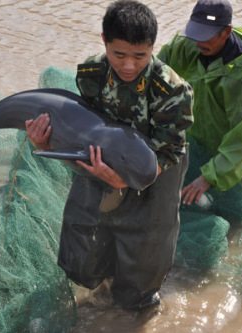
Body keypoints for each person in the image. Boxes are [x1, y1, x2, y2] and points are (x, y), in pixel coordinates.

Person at [26, 0, 193, 310]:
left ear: (152, 48)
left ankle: (138, 300)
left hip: (156, 162)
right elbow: (81, 130)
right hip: (102, 154)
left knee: (145, 253)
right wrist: (47, 143)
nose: (129, 66)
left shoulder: (172, 90)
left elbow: (171, 148)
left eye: (139, 56)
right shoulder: (91, 73)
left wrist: (129, 179)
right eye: (119, 55)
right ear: (104, 42)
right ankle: (99, 289)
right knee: (83, 240)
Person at [157, 0, 242, 204]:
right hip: (206, 123)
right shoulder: (191, 43)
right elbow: (159, 72)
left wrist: (209, 177)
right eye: (196, 33)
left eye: (206, 36)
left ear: (226, 31)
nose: (199, 42)